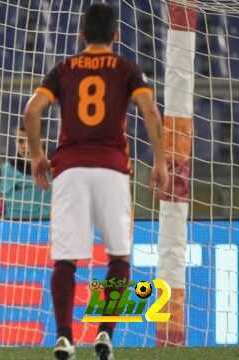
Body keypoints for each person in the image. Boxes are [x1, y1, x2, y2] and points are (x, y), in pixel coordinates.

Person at [23, 4, 168, 360]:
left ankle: (63, 338)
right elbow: (149, 110)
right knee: (118, 256)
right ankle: (104, 334)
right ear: (116, 35)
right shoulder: (126, 69)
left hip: (70, 169)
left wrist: (37, 156)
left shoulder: (64, 69)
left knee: (66, 260)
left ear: (81, 34)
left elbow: (31, 110)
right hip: (113, 170)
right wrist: (161, 161)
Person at [0, 125, 51, 220]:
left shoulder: (55, 168)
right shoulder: (5, 170)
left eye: (31, 140)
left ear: (42, 140)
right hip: (11, 230)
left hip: (46, 228)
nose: (25, 146)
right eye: (21, 141)